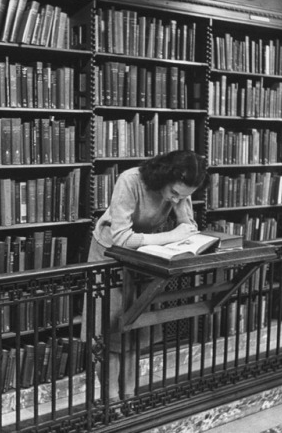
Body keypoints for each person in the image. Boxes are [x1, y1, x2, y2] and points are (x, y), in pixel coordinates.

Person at [85, 150, 209, 401]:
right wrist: (172, 237)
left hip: (143, 258)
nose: (176, 201)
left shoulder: (179, 191)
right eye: (174, 193)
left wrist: (186, 230)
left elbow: (188, 226)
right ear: (163, 176)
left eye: (184, 197)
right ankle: (110, 401)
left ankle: (129, 396)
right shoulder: (130, 181)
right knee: (110, 333)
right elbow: (121, 238)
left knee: (133, 328)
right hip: (109, 257)